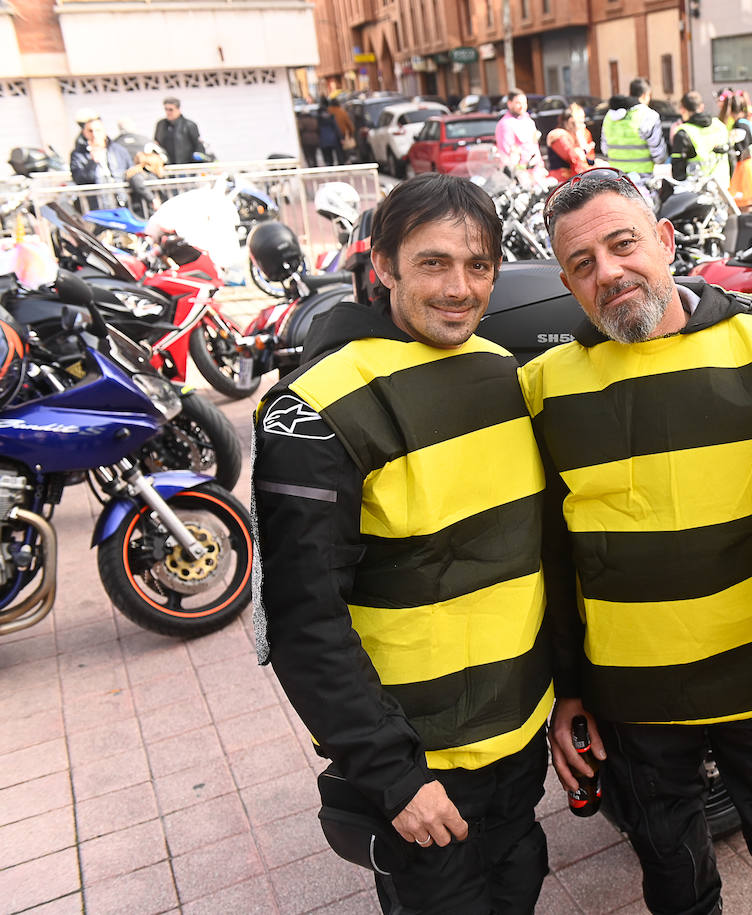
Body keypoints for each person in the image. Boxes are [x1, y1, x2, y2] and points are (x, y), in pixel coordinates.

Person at [523, 168, 752, 915]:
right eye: (582, 263)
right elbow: (554, 555)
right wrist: (568, 686)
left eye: (622, 244)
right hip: (630, 698)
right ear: (568, 282)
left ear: (666, 241)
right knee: (672, 880)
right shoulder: (545, 387)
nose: (608, 272)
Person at [252, 173, 554, 914]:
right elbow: (302, 617)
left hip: (520, 745)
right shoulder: (319, 406)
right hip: (421, 771)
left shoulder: (502, 371)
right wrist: (394, 777)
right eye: (433, 262)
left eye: (477, 264)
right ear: (383, 265)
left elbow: (538, 558)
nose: (460, 287)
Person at [600, 78, 669, 185]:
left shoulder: (610, 116)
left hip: (616, 181)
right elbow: (659, 156)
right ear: (646, 95)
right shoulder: (648, 115)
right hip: (642, 182)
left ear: (630, 93)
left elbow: (605, 150)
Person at [69, 112, 135, 210]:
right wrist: (92, 163)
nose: (94, 134)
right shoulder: (78, 154)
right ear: (84, 133)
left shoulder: (118, 150)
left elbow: (131, 172)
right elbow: (79, 179)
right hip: (96, 206)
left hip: (120, 202)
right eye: (90, 131)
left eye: (97, 130)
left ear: (104, 131)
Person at [669, 90, 729, 186]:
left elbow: (678, 169)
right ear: (701, 107)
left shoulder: (683, 132)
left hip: (696, 190)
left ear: (682, 109)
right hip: (721, 188)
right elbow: (731, 156)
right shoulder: (720, 126)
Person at [496, 89, 544, 174]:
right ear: (509, 104)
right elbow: (506, 156)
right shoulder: (505, 124)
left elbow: (534, 146)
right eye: (518, 103)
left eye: (524, 103)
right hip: (521, 175)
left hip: (536, 172)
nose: (522, 106)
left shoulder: (528, 120)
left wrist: (541, 166)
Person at [545, 102, 596, 182]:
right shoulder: (559, 135)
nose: (582, 125)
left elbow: (589, 157)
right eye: (579, 122)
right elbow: (572, 157)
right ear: (569, 122)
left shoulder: (582, 133)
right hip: (562, 179)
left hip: (577, 175)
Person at [153, 97, 205, 165]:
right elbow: (157, 143)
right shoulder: (161, 124)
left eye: (171, 110)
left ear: (178, 109)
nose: (168, 112)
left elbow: (198, 145)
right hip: (166, 165)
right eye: (166, 109)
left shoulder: (189, 125)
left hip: (185, 165)